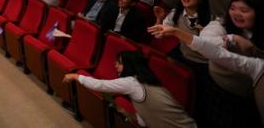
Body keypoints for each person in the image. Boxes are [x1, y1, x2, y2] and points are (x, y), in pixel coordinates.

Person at [148, 24, 264, 126]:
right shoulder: (258, 66)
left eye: (244, 10)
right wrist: (176, 32)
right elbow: (216, 53)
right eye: (233, 8)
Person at [62, 51, 197, 128]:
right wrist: (126, 113)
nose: (115, 65)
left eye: (119, 63)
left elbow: (100, 85)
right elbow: (148, 116)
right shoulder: (150, 82)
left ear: (130, 66)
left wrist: (75, 76)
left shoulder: (132, 83)